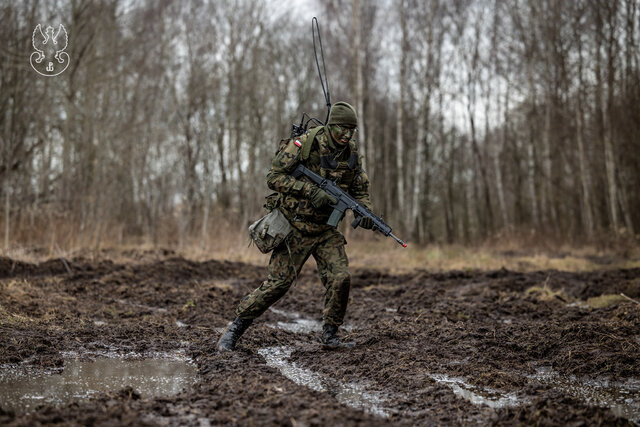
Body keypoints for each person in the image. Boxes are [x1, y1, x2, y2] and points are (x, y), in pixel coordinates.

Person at [218, 101, 374, 351]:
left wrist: (365, 210)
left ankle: (330, 335)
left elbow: (360, 189)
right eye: (342, 129)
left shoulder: (351, 153)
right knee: (278, 283)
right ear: (331, 126)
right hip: (295, 225)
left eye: (351, 130)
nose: (347, 135)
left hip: (324, 230)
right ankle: (235, 328)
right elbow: (274, 177)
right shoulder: (305, 144)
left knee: (341, 278)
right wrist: (310, 190)